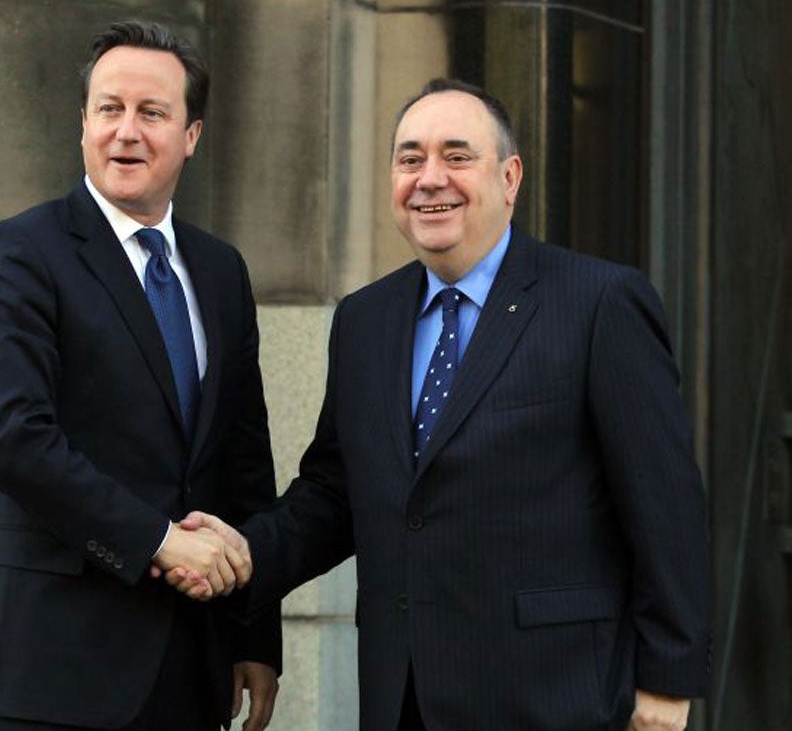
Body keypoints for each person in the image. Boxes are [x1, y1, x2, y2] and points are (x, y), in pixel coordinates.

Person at [176, 79, 710, 730]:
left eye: (457, 157)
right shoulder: (365, 320)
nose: (430, 179)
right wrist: (246, 553)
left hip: (559, 695)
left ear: (509, 177)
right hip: (404, 699)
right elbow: (335, 493)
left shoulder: (598, 304)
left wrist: (667, 682)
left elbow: (666, 503)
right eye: (409, 159)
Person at [0, 20, 281, 731]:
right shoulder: (19, 253)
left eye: (152, 113)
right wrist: (159, 540)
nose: (127, 131)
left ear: (191, 135)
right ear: (83, 123)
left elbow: (243, 461)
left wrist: (253, 636)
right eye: (109, 109)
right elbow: (10, 438)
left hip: (188, 668)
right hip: (45, 670)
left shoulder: (219, 272)